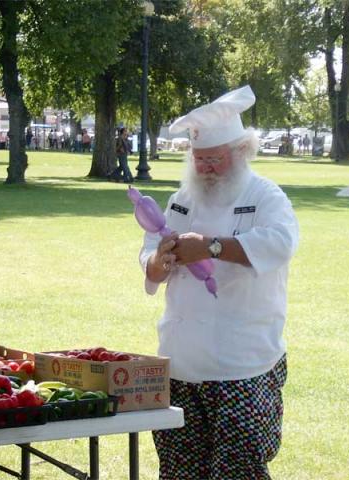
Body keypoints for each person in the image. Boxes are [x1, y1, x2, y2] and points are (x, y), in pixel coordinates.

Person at [139, 85, 299, 480]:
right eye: (199, 159)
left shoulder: (265, 195)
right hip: (181, 362)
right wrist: (157, 263)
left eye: (216, 159)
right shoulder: (182, 198)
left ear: (242, 152)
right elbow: (148, 252)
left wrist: (211, 247)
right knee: (178, 471)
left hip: (241, 364)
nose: (206, 168)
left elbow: (280, 244)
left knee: (239, 471)